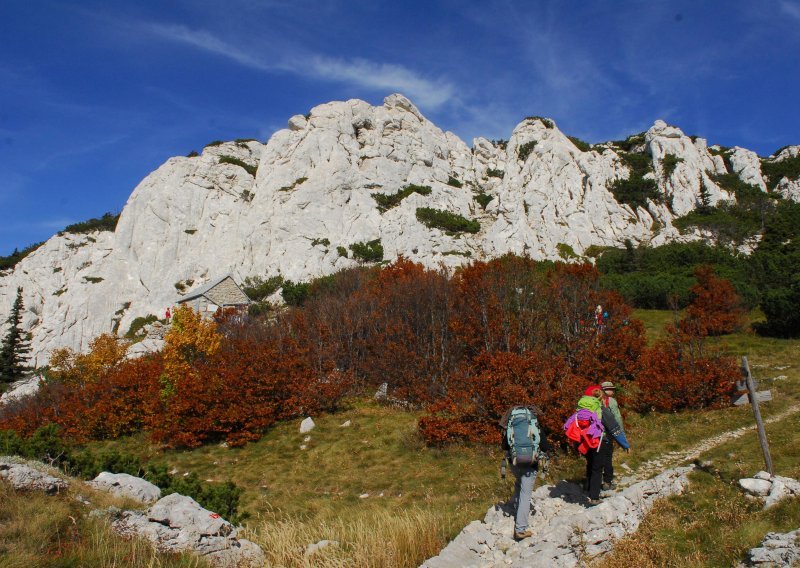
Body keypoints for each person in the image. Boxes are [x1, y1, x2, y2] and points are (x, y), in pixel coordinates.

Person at [499, 406, 553, 540]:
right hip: (530, 463)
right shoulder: (534, 424)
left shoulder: (511, 425)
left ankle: (518, 511)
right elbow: (545, 445)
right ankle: (521, 528)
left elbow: (504, 446)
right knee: (526, 494)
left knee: (519, 483)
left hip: (514, 462)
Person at [577, 385, 630, 505]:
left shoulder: (581, 410)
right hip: (601, 441)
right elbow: (614, 428)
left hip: (586, 440)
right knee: (597, 468)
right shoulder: (601, 410)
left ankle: (588, 488)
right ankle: (594, 497)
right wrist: (625, 444)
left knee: (590, 465)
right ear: (600, 396)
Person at [600, 381, 625, 490]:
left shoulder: (595, 400)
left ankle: (593, 482)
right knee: (607, 457)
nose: (613, 391)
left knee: (596, 458)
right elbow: (617, 418)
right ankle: (607, 482)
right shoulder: (611, 401)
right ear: (605, 390)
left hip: (595, 433)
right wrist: (621, 433)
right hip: (607, 433)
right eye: (611, 389)